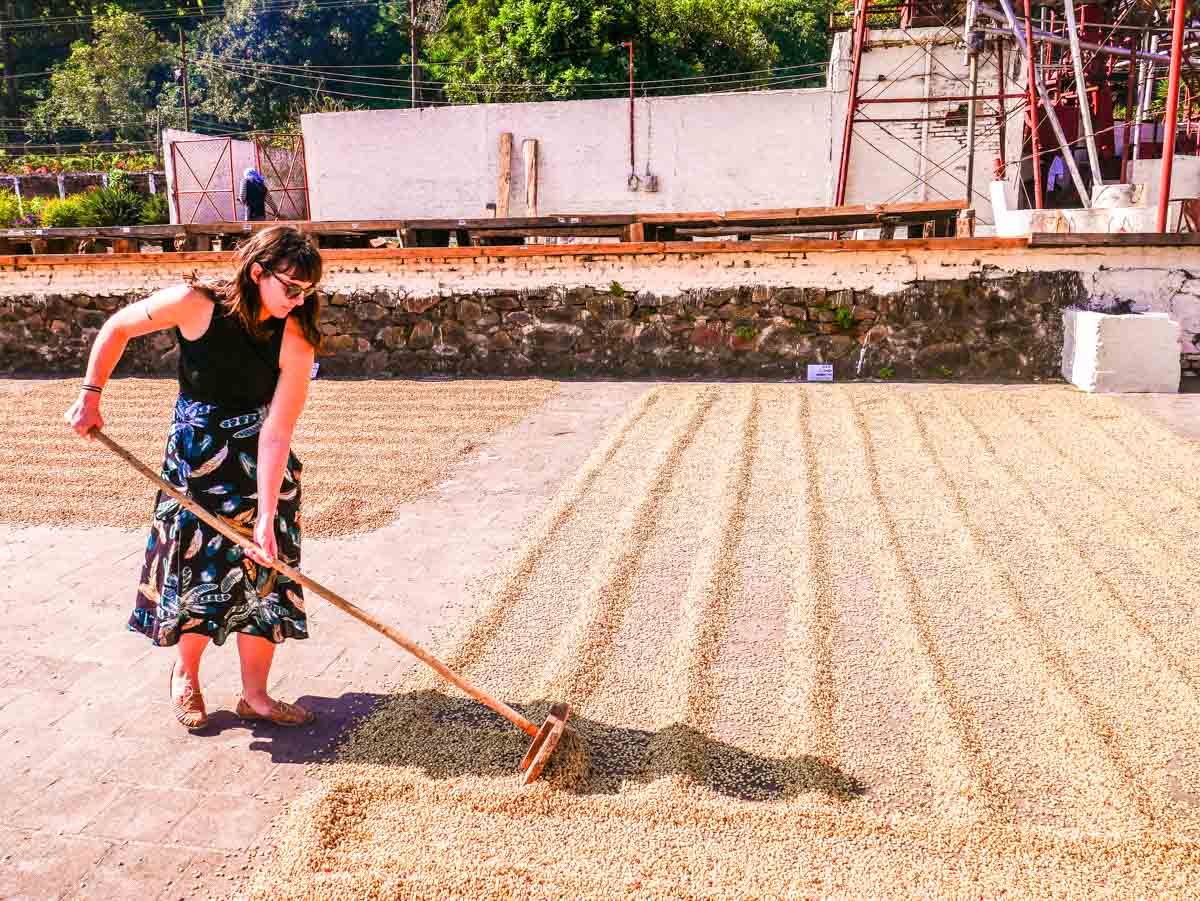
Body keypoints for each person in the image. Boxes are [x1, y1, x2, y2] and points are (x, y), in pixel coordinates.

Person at [64, 225, 323, 730]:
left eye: (307, 292)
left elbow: (276, 433)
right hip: (195, 464)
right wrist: (90, 394)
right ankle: (185, 677)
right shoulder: (193, 304)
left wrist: (267, 516)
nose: (298, 300)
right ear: (257, 272)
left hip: (257, 468)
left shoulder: (296, 339)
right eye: (291, 288)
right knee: (194, 572)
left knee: (263, 578)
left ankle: (256, 695)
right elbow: (117, 327)